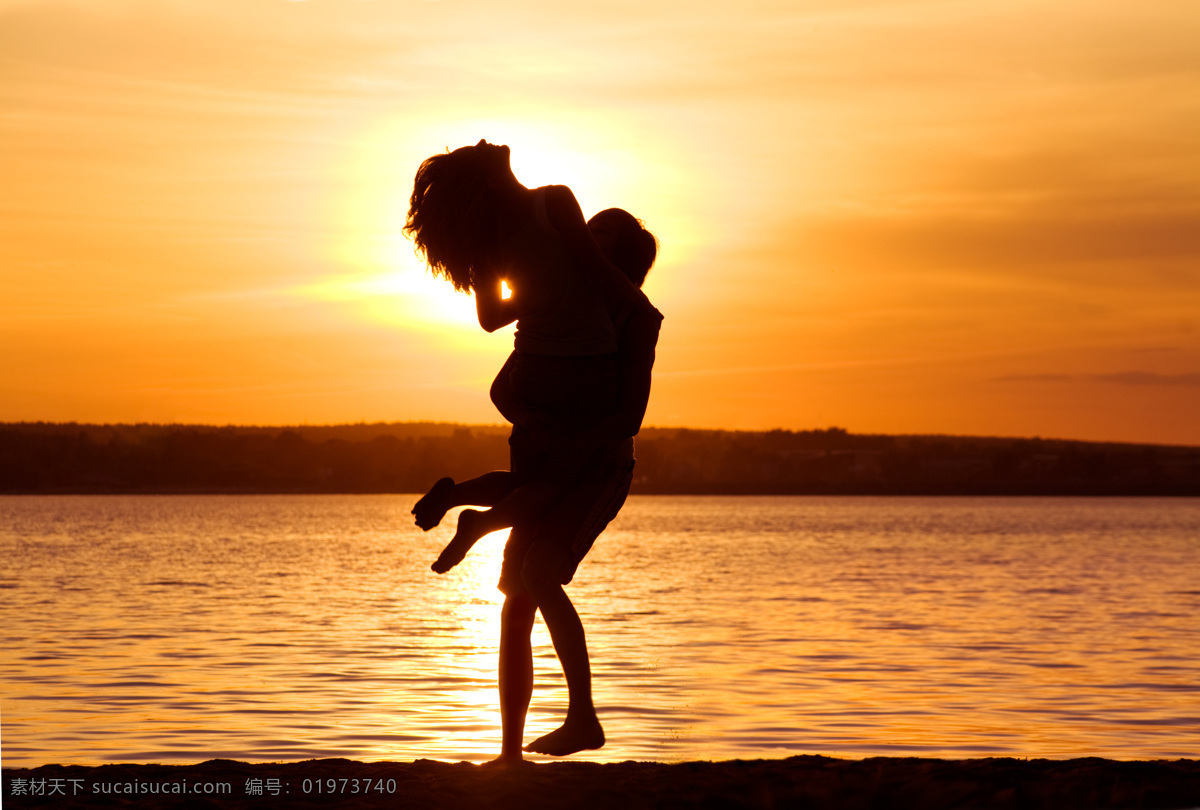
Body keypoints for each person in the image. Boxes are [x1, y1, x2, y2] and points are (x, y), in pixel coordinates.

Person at [404, 143, 662, 761]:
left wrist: (564, 432)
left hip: (599, 467)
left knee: (539, 574)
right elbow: (495, 318)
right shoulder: (558, 297)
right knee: (516, 597)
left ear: (617, 265)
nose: (580, 250)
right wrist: (483, 257)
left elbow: (628, 418)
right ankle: (511, 751)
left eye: (595, 245)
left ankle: (583, 719)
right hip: (545, 442)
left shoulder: (633, 321)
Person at [412, 207, 659, 567]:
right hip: (550, 435)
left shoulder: (631, 314)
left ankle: (458, 499)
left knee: (525, 490)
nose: (584, 235)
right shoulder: (556, 298)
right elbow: (498, 366)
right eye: (587, 227)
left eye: (600, 233)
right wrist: (531, 421)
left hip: (584, 445)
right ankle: (476, 520)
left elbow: (629, 415)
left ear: (623, 256)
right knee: (540, 494)